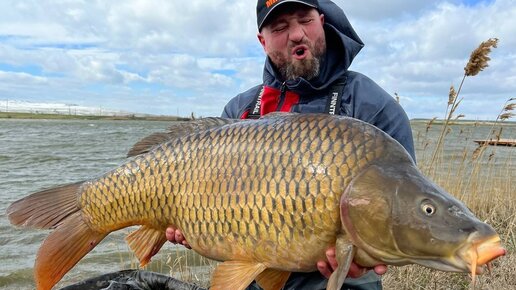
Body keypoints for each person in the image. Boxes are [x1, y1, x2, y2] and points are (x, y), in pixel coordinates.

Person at [167, 0, 415, 289]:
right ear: (263, 41)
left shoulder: (374, 108)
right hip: (254, 277)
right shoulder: (240, 110)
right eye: (281, 27)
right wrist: (192, 227)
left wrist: (364, 255)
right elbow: (210, 208)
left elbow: (400, 209)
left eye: (305, 20)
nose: (297, 34)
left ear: (322, 21)